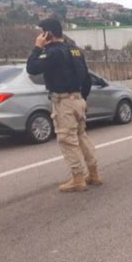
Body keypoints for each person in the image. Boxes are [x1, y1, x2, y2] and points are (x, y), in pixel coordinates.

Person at [26, 18, 103, 192]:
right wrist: (82, 99)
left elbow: (31, 68)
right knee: (81, 137)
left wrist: (38, 47)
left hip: (64, 102)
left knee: (68, 140)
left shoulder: (52, 53)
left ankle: (77, 179)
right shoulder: (75, 50)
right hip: (78, 99)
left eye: (42, 33)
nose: (40, 36)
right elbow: (87, 78)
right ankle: (94, 173)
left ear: (48, 34)